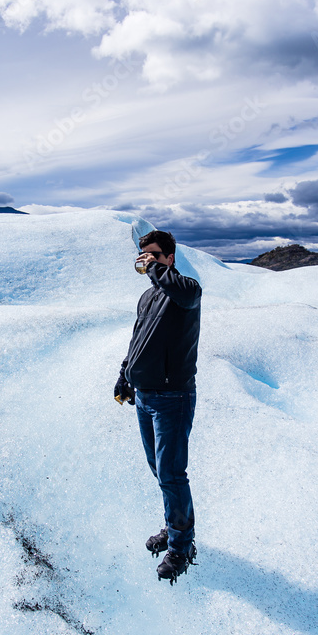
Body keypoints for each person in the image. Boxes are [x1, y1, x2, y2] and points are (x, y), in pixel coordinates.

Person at [114, 230, 201, 584]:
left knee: (171, 473)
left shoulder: (187, 290)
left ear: (169, 257)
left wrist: (156, 271)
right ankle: (173, 525)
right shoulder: (148, 297)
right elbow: (138, 339)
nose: (145, 259)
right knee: (159, 469)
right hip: (145, 396)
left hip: (172, 398)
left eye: (152, 254)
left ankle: (182, 546)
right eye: (142, 254)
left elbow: (181, 292)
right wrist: (125, 375)